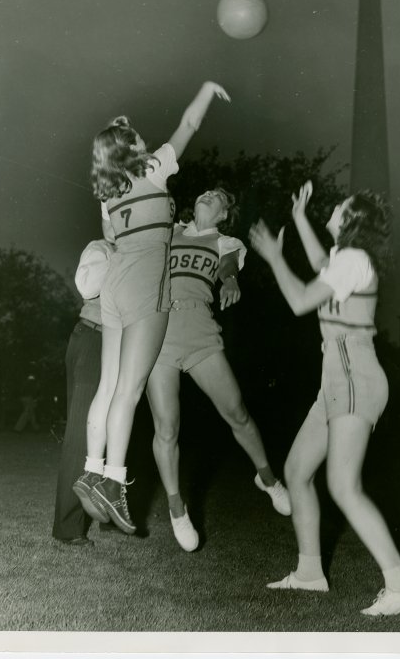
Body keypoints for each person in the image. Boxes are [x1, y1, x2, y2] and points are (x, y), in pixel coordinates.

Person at [249, 182, 400, 617]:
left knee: (343, 485)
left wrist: (273, 257)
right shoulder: (346, 261)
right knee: (296, 471)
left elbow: (301, 300)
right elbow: (320, 264)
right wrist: (301, 217)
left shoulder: (353, 259)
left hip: (352, 373)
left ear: (351, 222)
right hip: (340, 375)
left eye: (341, 207)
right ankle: (310, 574)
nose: (336, 207)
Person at [73, 81, 230, 535]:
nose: (145, 138)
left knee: (108, 387)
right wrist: (204, 90)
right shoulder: (153, 169)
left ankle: (92, 466)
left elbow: (110, 238)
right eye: (137, 136)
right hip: (144, 287)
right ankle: (113, 481)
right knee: (130, 390)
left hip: (113, 288)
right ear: (132, 149)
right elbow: (190, 123)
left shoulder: (107, 194)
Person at [145, 188, 291, 552]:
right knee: (166, 428)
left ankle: (268, 479)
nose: (208, 195)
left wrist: (230, 280)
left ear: (225, 213)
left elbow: (226, 267)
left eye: (218, 197)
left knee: (237, 412)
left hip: (200, 333)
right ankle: (177, 510)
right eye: (206, 192)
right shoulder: (170, 231)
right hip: (159, 334)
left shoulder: (226, 241)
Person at [52, 238, 115, 546]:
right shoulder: (101, 247)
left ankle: (105, 511)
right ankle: (69, 528)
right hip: (94, 338)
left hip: (119, 344)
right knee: (82, 433)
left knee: (114, 429)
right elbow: (88, 288)